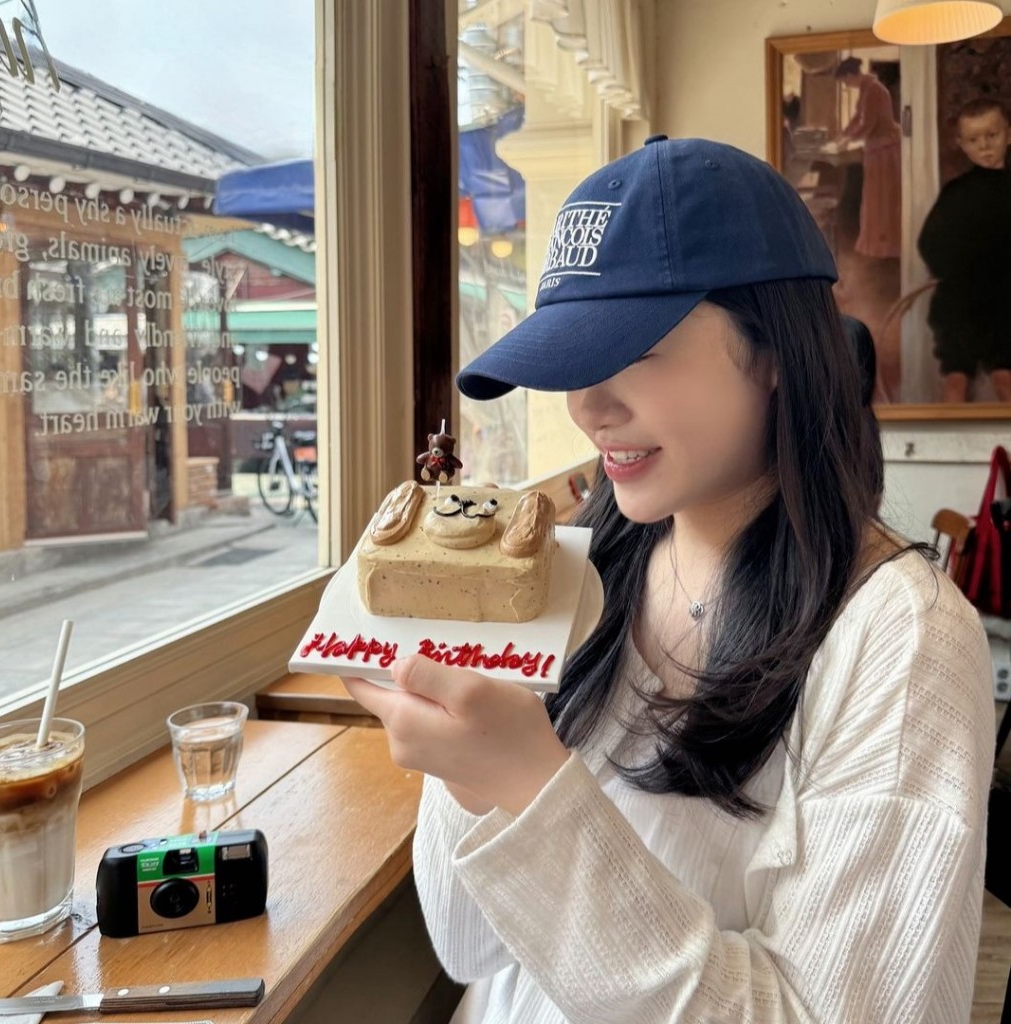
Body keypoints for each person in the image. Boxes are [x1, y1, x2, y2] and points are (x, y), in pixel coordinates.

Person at [343, 137, 993, 1023]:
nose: (588, 406)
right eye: (575, 357)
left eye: (639, 349)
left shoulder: (900, 642)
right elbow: (470, 947)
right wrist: (468, 773)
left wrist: (531, 787)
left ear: (775, 349)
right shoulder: (567, 569)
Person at [917, 97, 1011, 403]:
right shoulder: (956, 193)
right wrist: (956, 270)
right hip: (961, 299)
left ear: (1008, 134)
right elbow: (930, 243)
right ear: (962, 145)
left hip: (1006, 299)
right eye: (973, 139)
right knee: (956, 379)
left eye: (992, 135)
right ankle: (949, 432)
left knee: (1005, 377)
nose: (984, 145)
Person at [834, 56, 902, 259]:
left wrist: (848, 140)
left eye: (845, 81)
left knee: (881, 199)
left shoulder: (874, 89)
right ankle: (876, 243)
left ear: (850, 75)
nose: (846, 85)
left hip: (884, 151)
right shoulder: (866, 89)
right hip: (875, 150)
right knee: (874, 198)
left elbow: (868, 124)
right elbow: (858, 118)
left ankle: (884, 245)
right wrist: (843, 134)